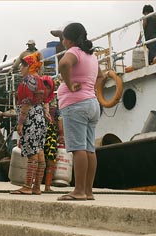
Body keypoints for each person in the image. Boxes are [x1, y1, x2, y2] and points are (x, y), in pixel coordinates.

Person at [57, 22, 105, 201]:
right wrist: (91, 89)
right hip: (91, 103)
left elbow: (63, 65)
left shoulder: (74, 52)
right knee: (89, 149)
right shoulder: (91, 55)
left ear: (68, 40)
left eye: (63, 39)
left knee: (78, 149)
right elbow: (100, 76)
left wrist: (69, 84)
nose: (62, 42)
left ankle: (78, 191)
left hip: (76, 105)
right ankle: (88, 191)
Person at [10, 53, 51, 195]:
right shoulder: (39, 79)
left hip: (31, 117)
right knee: (39, 152)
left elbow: (26, 102)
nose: (20, 68)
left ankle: (27, 186)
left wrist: (20, 123)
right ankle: (37, 187)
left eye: (22, 65)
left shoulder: (29, 80)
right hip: (39, 117)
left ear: (29, 66)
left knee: (32, 154)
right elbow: (45, 99)